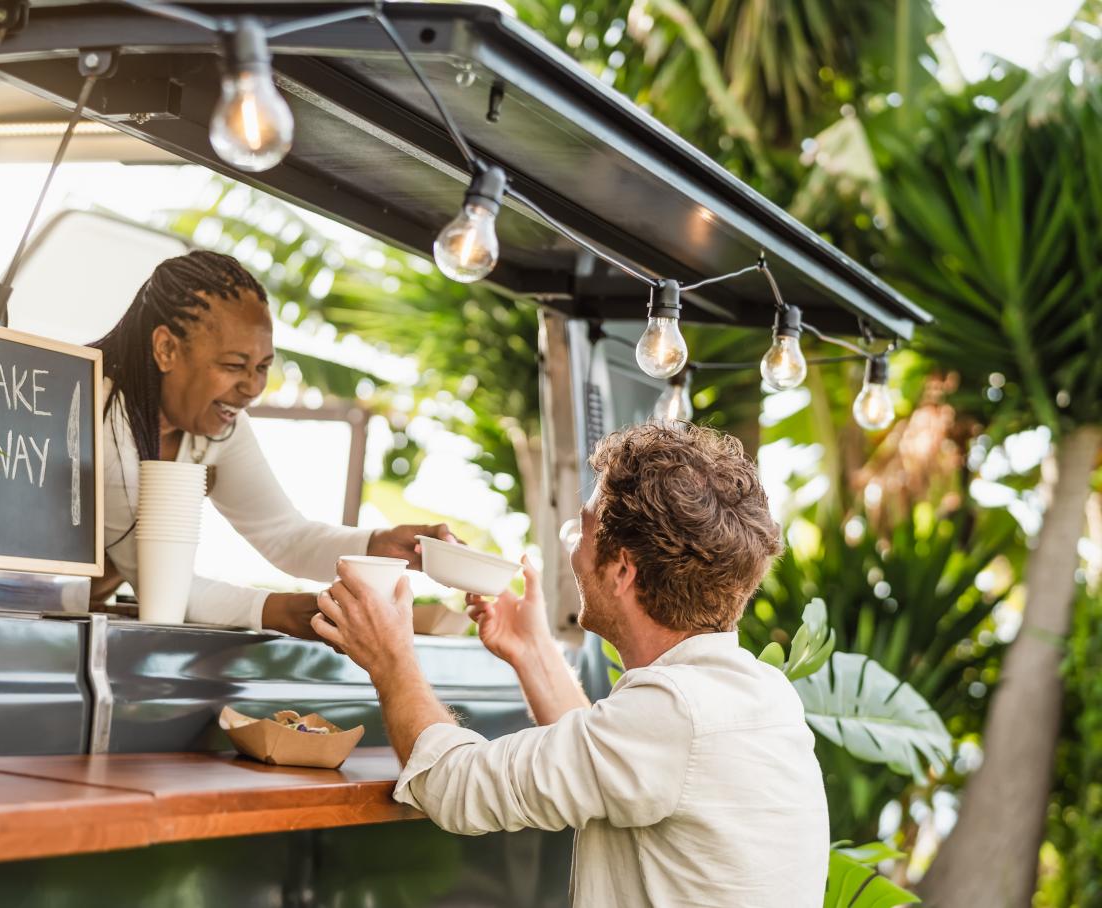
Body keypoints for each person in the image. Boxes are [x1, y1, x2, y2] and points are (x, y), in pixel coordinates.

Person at [312, 422, 830, 907]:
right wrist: (532, 650)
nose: (575, 554)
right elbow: (612, 764)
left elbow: (451, 786)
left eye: (582, 532)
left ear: (623, 568)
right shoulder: (757, 693)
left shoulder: (675, 713)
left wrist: (390, 655)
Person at [90, 249, 450, 637]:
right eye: (233, 366)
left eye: (262, 367)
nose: (252, 388)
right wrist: (290, 612)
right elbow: (163, 588)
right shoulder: (98, 414)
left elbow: (285, 537)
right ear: (166, 349)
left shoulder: (219, 424)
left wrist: (379, 545)